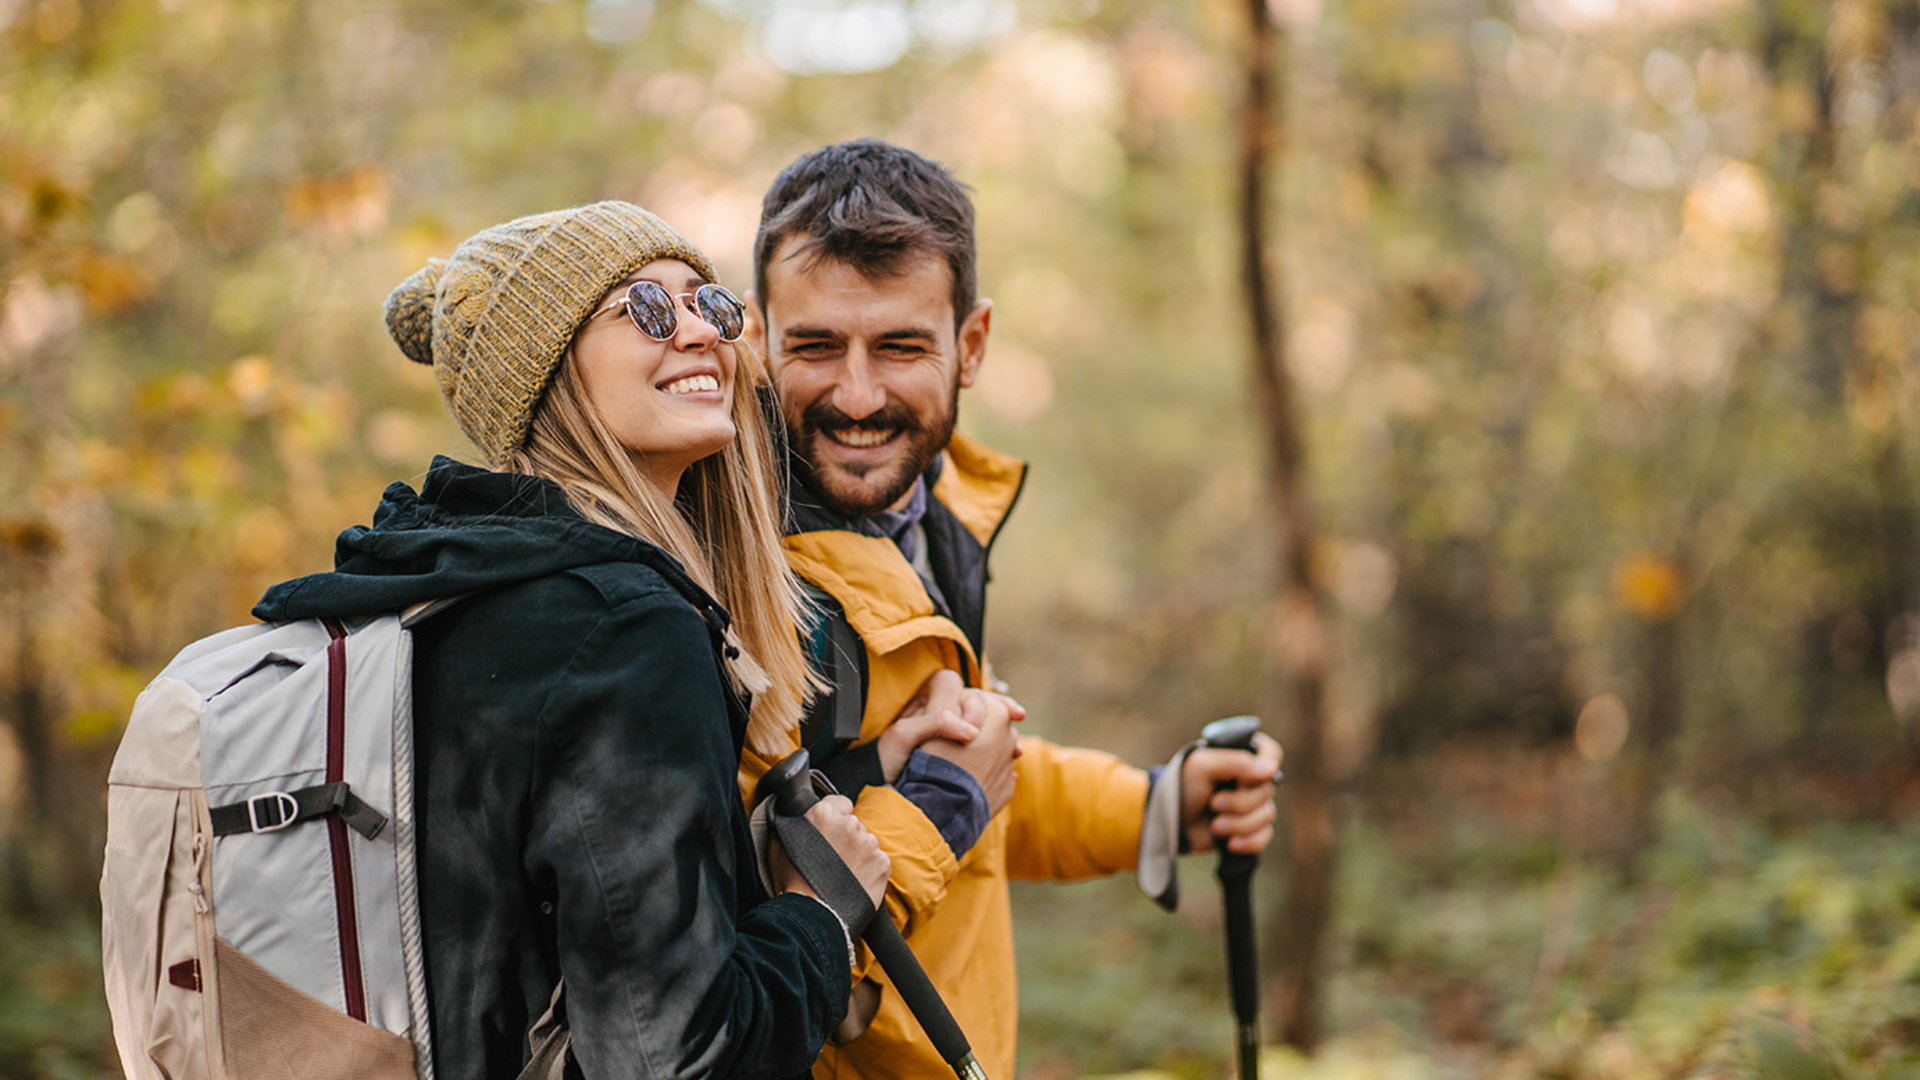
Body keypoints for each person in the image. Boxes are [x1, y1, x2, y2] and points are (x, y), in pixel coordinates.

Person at [252, 201, 889, 1080]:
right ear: (544, 370)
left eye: (712, 304)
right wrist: (820, 912)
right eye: (650, 309)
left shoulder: (443, 594)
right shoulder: (625, 629)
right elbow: (678, 1054)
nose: (703, 332)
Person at [737, 140, 1285, 1080]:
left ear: (972, 344)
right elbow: (742, 941)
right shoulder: (741, 575)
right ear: (757, 338)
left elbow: (981, 781)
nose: (857, 395)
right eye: (817, 346)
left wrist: (1158, 805)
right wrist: (940, 808)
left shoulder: (933, 523)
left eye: (902, 346)